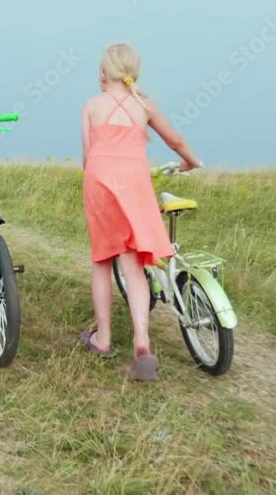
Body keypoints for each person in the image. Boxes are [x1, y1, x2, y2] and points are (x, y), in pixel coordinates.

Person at [80, 43, 202, 381]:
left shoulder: (92, 106)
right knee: (133, 264)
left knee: (102, 259)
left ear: (103, 73)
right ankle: (142, 344)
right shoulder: (144, 105)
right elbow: (175, 140)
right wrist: (191, 161)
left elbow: (88, 157)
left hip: (99, 182)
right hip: (134, 183)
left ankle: (103, 338)